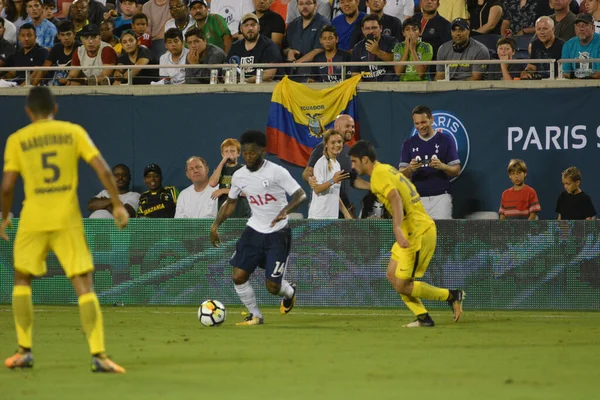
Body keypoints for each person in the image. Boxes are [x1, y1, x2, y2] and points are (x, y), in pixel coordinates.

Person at [2, 86, 127, 373]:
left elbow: (8, 185)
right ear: (55, 108)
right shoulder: (73, 132)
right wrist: (117, 205)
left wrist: (5, 215)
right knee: (83, 284)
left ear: (28, 112)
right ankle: (98, 354)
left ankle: (24, 351)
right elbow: (104, 170)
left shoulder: (17, 140)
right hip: (67, 219)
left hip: (32, 219)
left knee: (22, 281)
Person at [349, 140, 464, 327]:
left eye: (354, 161)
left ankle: (451, 296)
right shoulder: (384, 170)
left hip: (416, 232)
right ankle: (423, 318)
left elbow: (394, 197)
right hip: (413, 229)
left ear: (365, 160)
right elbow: (383, 189)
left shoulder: (379, 175)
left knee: (403, 284)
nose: (353, 166)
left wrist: (396, 229)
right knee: (392, 275)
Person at [210, 130, 307, 326]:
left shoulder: (276, 171)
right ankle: (255, 315)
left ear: (263, 151)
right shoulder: (239, 176)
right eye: (245, 153)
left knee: (272, 286)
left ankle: (289, 291)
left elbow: (300, 195)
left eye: (252, 153)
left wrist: (285, 211)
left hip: (278, 234)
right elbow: (230, 203)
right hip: (254, 231)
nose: (248, 157)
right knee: (238, 275)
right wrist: (215, 225)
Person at [399, 105, 460, 219]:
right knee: (419, 236)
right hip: (417, 198)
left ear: (432, 119)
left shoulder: (446, 140)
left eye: (423, 122)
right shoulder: (408, 144)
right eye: (417, 123)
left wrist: (442, 166)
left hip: (441, 197)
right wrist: (410, 169)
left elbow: (456, 170)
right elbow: (401, 175)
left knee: (442, 235)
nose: (420, 126)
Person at [307, 129, 352, 219]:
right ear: (326, 145)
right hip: (318, 217)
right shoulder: (321, 163)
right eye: (333, 142)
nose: (337, 145)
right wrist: (332, 180)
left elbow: (335, 193)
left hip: (332, 217)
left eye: (339, 142)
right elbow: (317, 189)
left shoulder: (337, 165)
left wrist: (346, 213)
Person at [208, 138, 251, 218]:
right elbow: (212, 183)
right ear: (222, 154)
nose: (229, 154)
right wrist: (222, 162)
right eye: (226, 151)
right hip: (224, 215)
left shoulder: (245, 169)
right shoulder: (220, 169)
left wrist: (223, 190)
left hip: (241, 214)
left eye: (232, 151)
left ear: (238, 153)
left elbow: (246, 192)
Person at [392, 17, 433, 81]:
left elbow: (421, 73)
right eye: (407, 29)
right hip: (404, 85)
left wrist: (412, 49)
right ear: (403, 33)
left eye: (414, 30)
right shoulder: (398, 46)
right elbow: (398, 72)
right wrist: (407, 49)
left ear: (420, 32)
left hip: (422, 86)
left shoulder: (426, 47)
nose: (411, 33)